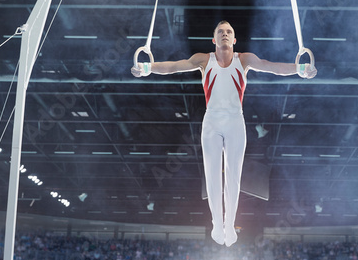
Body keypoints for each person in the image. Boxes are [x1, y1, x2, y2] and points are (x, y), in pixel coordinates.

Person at [131, 20, 317, 246]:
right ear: (214, 39)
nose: (225, 34)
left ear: (235, 39)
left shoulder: (244, 59)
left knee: (233, 177)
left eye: (229, 31)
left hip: (235, 122)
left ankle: (230, 223)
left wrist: (301, 69)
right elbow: (174, 66)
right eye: (220, 32)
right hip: (211, 122)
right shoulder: (203, 59)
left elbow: (272, 66)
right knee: (212, 175)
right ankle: (217, 223)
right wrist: (146, 68)